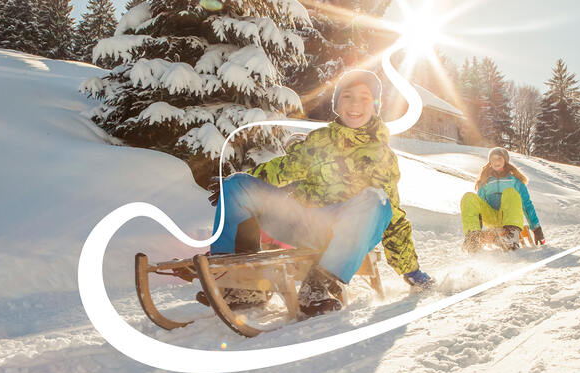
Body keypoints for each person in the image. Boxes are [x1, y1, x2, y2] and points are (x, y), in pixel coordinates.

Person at [202, 70, 433, 317]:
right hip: (300, 223)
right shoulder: (319, 141)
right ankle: (239, 284)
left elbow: (392, 216)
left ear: (376, 105)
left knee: (378, 200)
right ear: (337, 104)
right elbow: (283, 168)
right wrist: (237, 185)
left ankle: (319, 285)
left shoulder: (383, 156)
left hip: (344, 233)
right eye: (347, 96)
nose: (355, 104)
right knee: (237, 184)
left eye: (365, 98)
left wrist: (410, 269)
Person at [460, 147, 544, 253]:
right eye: (493, 159)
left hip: (510, 218)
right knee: (468, 197)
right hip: (491, 217)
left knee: (510, 192)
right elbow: (478, 207)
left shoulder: (515, 181)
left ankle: (511, 236)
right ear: (490, 162)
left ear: (505, 160)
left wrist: (536, 228)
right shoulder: (484, 181)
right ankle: (473, 238)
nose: (496, 161)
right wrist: (479, 226)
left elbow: (527, 205)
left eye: (499, 158)